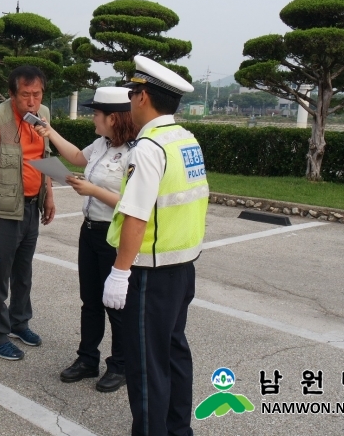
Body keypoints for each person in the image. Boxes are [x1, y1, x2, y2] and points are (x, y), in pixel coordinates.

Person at [103, 55, 208, 436]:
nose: (130, 101)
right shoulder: (185, 139)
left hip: (150, 271)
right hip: (182, 266)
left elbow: (135, 215)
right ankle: (179, 430)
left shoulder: (148, 148)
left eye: (132, 93)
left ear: (143, 96)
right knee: (174, 351)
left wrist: (119, 272)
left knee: (146, 364)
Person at [33, 87, 138, 393]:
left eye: (97, 114)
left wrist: (92, 190)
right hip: (90, 230)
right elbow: (78, 157)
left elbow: (132, 201)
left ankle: (119, 365)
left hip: (113, 235)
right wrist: (50, 132)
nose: (93, 118)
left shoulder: (134, 152)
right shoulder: (102, 143)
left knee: (115, 305)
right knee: (90, 301)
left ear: (114, 118)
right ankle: (87, 359)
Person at [0, 65, 56, 361]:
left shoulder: (43, 114)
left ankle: (19, 323)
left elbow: (44, 156)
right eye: (25, 95)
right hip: (2, 210)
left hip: (32, 206)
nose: (32, 101)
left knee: (24, 272)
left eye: (37, 94)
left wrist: (49, 194)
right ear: (12, 94)